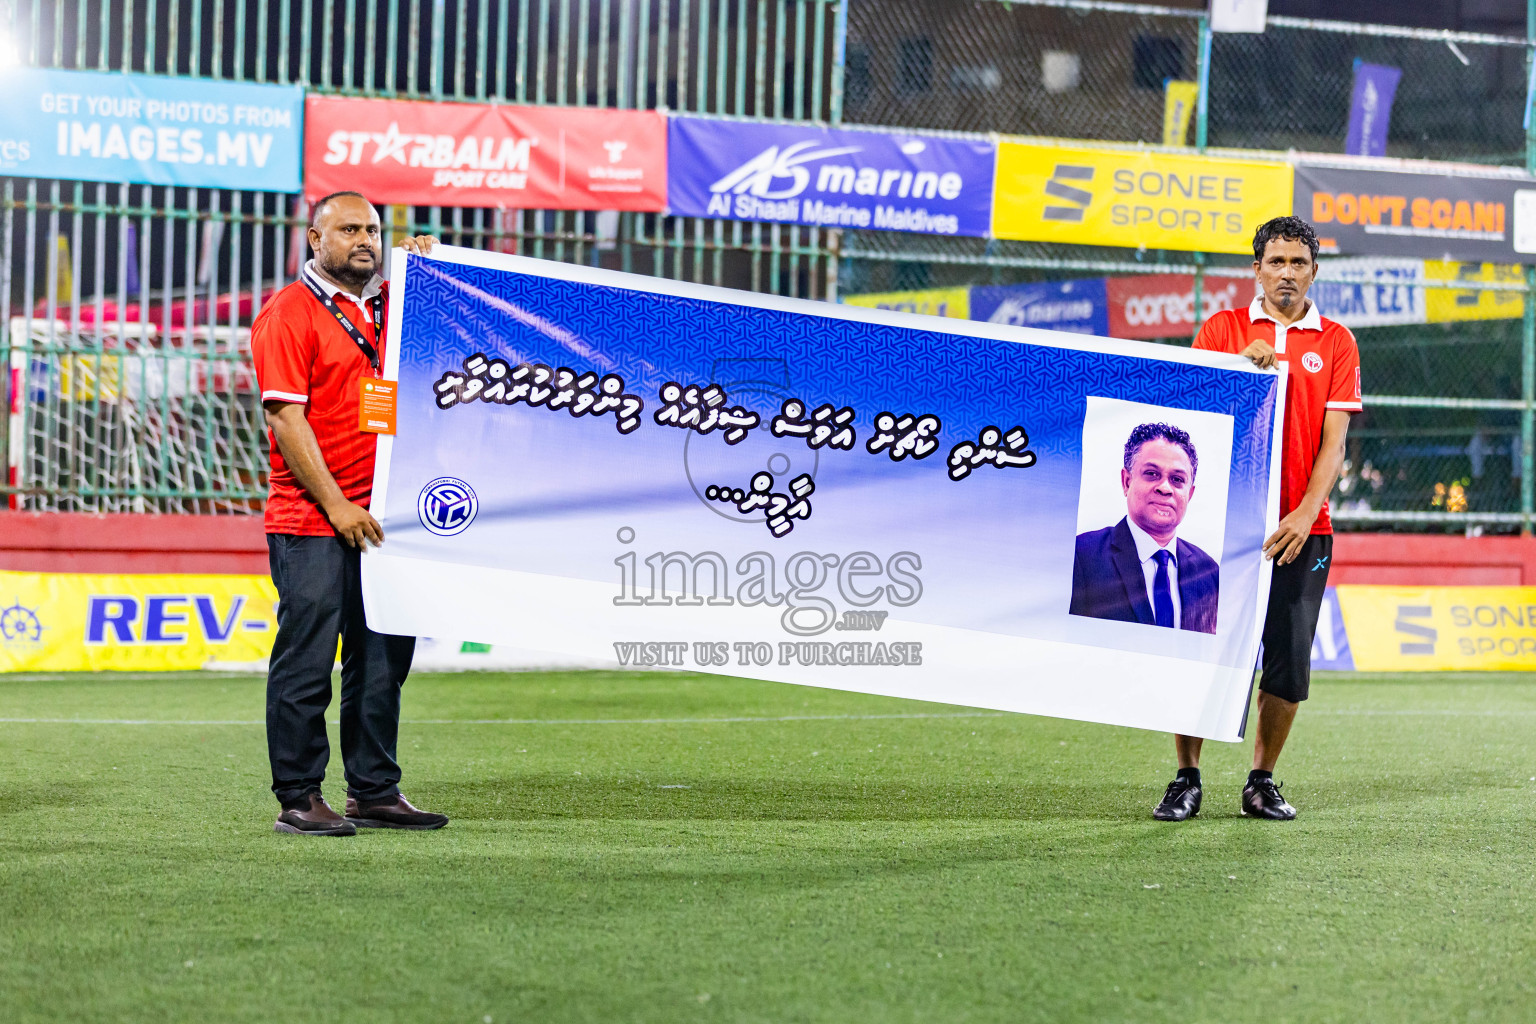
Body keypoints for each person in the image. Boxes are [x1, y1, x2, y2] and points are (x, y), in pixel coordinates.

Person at [1153, 215, 1362, 823]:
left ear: (1314, 272)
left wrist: (1303, 512)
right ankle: (1186, 776)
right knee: (1199, 651)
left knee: (1289, 664)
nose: (1287, 273)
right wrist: (1235, 371)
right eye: (1277, 262)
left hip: (1303, 531)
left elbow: (1334, 444)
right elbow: (1186, 416)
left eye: (1299, 263)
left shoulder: (1337, 342)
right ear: (1257, 270)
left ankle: (1261, 781)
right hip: (1224, 528)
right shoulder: (1222, 329)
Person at [251, 190, 447, 836]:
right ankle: (299, 797)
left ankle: (374, 788)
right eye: (349, 229)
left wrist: (433, 269)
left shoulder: (395, 306)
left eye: (373, 229)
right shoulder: (289, 314)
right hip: (312, 520)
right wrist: (336, 504)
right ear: (316, 240)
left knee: (383, 659)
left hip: (388, 520)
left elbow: (456, 330)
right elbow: (286, 417)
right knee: (307, 662)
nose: (365, 239)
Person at [1070, 422, 1219, 634]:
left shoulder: (1210, 573)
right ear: (1126, 481)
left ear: (1190, 493)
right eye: (1152, 474)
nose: (1165, 488)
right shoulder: (1081, 556)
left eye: (1177, 480)